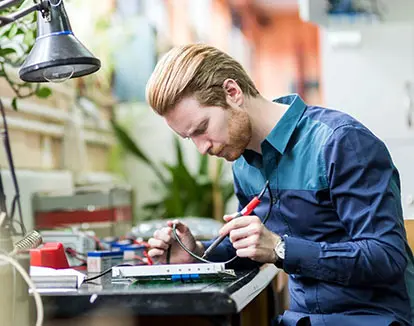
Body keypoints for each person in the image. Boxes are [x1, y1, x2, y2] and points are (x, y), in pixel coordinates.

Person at [145, 43, 414, 326]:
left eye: (202, 129)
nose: (202, 148)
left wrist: (281, 249)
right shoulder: (243, 165)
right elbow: (252, 249)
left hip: (375, 319)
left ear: (232, 93)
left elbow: (386, 257)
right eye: (190, 138)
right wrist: (198, 253)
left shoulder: (340, 142)